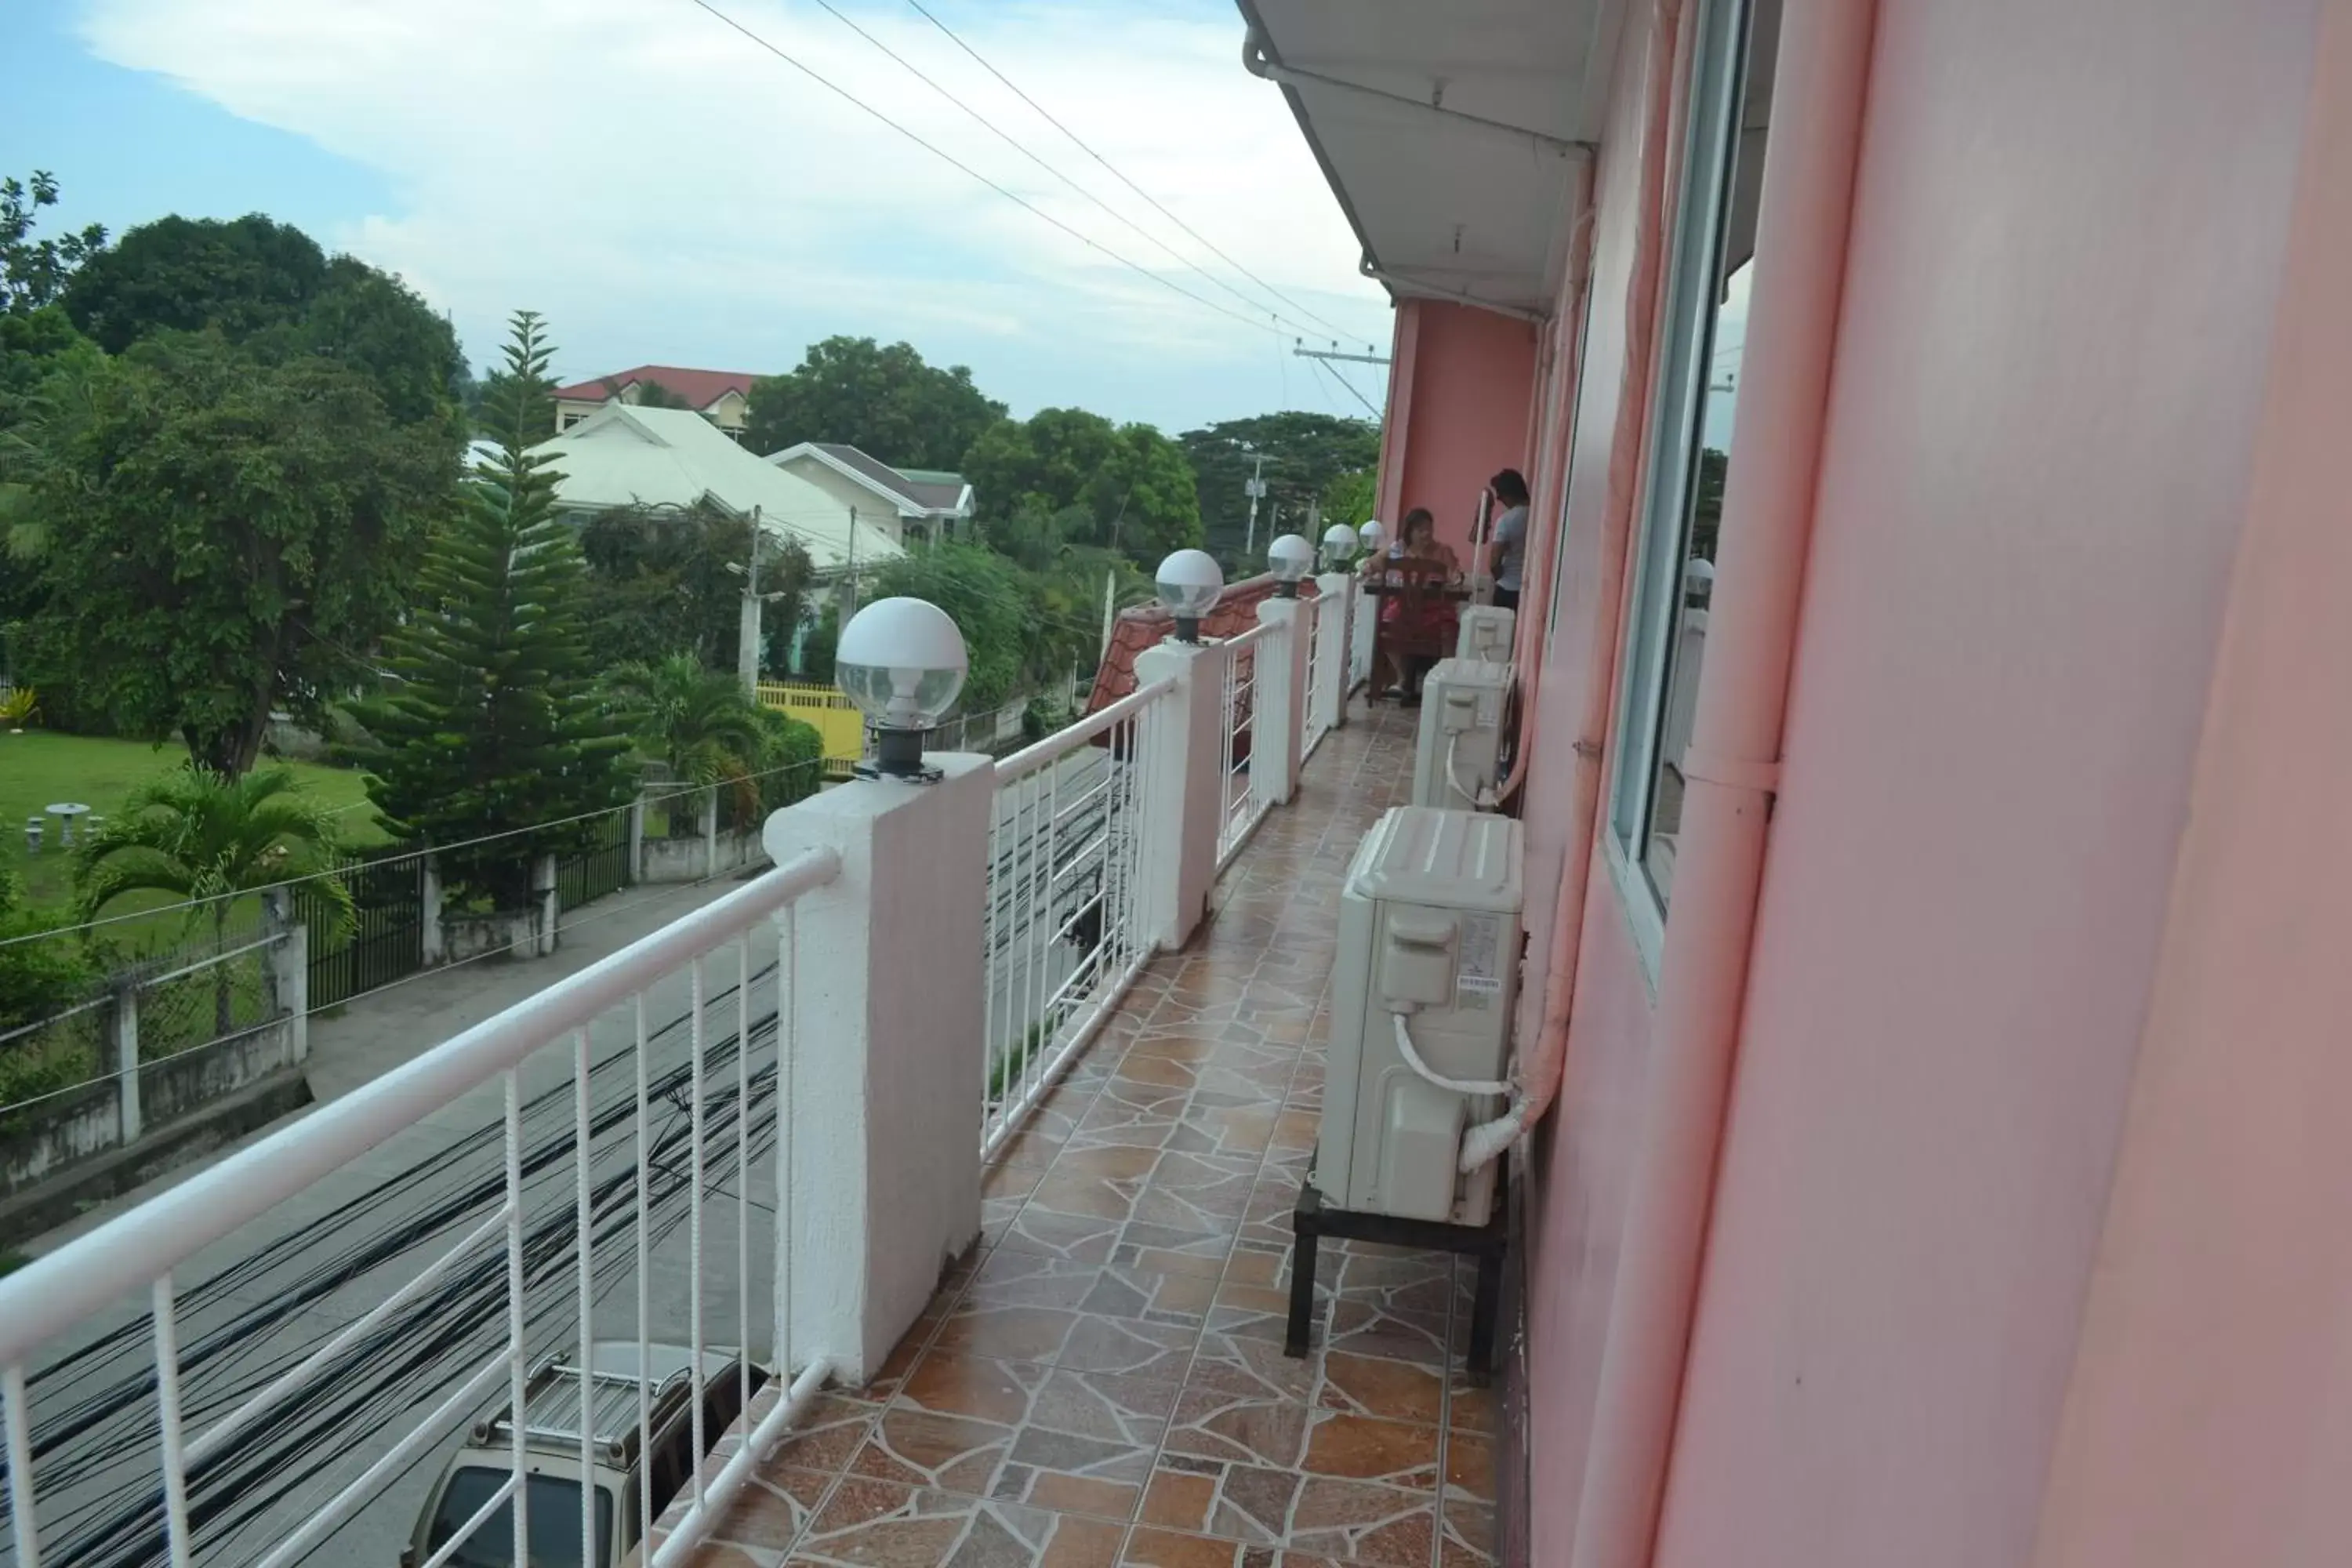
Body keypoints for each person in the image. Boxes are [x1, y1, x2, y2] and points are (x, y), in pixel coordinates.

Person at [1363, 506, 1460, 701]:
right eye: (1420, 529)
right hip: (1403, 609)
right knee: (1387, 623)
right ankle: (1401, 679)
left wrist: (1454, 578)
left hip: (1436, 611)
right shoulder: (1397, 549)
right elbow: (1371, 564)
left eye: (1429, 529)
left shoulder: (1443, 551)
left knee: (1450, 630)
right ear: (1410, 531)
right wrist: (1366, 569)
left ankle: (1445, 684)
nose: (1426, 534)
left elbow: (1455, 576)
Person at [1484, 468, 1530, 613]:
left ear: (1508, 494)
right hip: (1529, 590)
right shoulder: (1538, 515)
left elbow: (1494, 561)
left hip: (1508, 588)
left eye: (1500, 495)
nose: (1499, 499)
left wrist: (1498, 575)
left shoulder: (1506, 521)